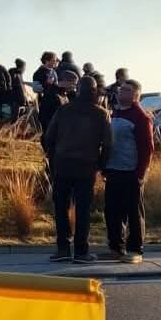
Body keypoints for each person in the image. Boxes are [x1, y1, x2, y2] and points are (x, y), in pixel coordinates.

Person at [43, 77, 112, 263]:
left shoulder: (64, 110)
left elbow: (48, 137)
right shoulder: (101, 114)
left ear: (78, 90)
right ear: (94, 91)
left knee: (60, 207)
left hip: (62, 164)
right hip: (86, 166)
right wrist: (101, 166)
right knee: (83, 210)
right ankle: (81, 251)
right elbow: (108, 145)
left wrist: (53, 159)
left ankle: (63, 248)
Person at [104, 79, 154, 263]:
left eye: (125, 90)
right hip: (112, 170)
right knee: (112, 211)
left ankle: (135, 249)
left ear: (135, 95)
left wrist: (140, 173)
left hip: (131, 172)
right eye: (120, 89)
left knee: (133, 212)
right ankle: (116, 247)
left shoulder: (141, 118)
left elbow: (147, 148)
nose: (120, 92)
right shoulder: (114, 112)